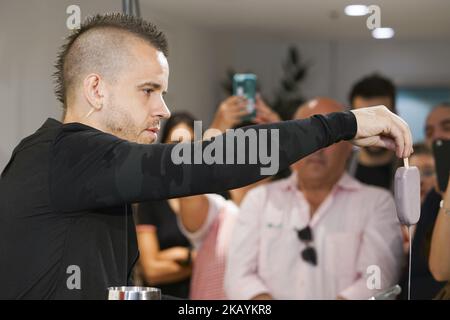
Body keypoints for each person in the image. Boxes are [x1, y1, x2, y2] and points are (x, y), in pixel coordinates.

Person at [0, 13, 413, 300]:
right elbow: (209, 164)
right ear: (96, 89)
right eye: (148, 90)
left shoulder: (84, 173)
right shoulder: (66, 153)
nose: (163, 108)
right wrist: (340, 126)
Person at [225, 98, 403, 300]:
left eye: (329, 138)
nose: (316, 147)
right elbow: (238, 277)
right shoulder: (259, 200)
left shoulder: (376, 203)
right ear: (289, 144)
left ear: (349, 146)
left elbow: (378, 280)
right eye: (306, 136)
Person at [135, 112, 197, 298]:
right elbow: (152, 272)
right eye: (176, 144)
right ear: (164, 148)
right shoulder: (152, 198)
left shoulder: (212, 196)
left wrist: (172, 256)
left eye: (190, 145)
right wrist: (191, 257)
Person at [398, 103, 450, 299]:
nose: (436, 137)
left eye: (447, 127)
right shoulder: (433, 199)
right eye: (429, 132)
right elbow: (418, 276)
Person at [348, 74, 398, 190]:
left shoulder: (410, 167)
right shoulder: (340, 167)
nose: (373, 128)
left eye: (380, 118)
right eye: (364, 119)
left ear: (395, 115)